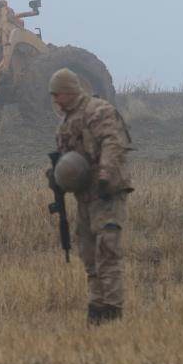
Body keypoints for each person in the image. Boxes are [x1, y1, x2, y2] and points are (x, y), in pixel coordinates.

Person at [50, 68, 133, 326]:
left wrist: (105, 173)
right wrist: (56, 175)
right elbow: (67, 156)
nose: (54, 99)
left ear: (70, 91)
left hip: (106, 193)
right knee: (88, 253)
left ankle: (113, 308)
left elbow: (113, 142)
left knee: (107, 249)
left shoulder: (98, 111)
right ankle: (97, 308)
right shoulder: (66, 120)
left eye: (58, 94)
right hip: (84, 195)